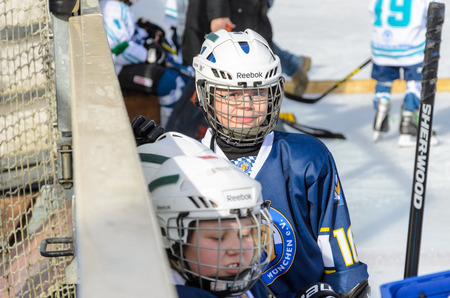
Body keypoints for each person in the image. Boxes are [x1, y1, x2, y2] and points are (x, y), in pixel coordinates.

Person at [191, 28, 370, 297]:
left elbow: (338, 251)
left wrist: (347, 291)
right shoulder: (186, 163)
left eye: (258, 93)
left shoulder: (306, 158)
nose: (247, 105)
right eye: (231, 95)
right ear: (207, 95)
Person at [145, 153, 274, 297]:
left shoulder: (246, 280)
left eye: (245, 234)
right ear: (169, 236)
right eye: (217, 237)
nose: (237, 249)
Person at [181, 0, 311, 97]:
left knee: (248, 57)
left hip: (233, 9)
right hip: (227, 9)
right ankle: (294, 63)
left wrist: (218, 13)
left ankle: (270, 127)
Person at [99, 0, 193, 126]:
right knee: (170, 83)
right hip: (115, 70)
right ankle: (169, 132)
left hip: (121, 65)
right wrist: (148, 55)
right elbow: (119, 49)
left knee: (185, 74)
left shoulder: (119, 6)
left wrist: (145, 33)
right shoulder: (113, 7)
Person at [369, 0, 439, 146]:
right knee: (416, 82)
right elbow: (435, 13)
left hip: (382, 47)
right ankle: (408, 124)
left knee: (384, 81)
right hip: (411, 48)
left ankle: (380, 113)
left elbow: (373, 11)